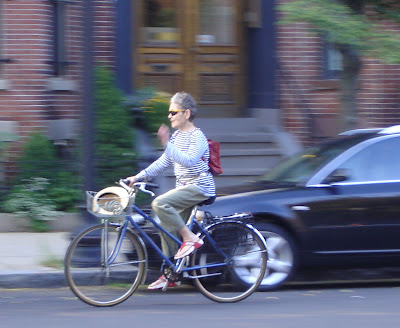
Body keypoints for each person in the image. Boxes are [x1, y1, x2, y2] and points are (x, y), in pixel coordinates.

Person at [126, 91, 216, 290]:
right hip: (184, 187)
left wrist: (167, 144)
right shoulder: (176, 137)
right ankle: (171, 274)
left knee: (159, 203)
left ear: (186, 113)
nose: (169, 116)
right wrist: (138, 177)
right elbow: (163, 162)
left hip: (200, 186)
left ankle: (190, 238)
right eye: (169, 112)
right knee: (166, 226)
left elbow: (189, 160)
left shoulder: (197, 136)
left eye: (173, 112)